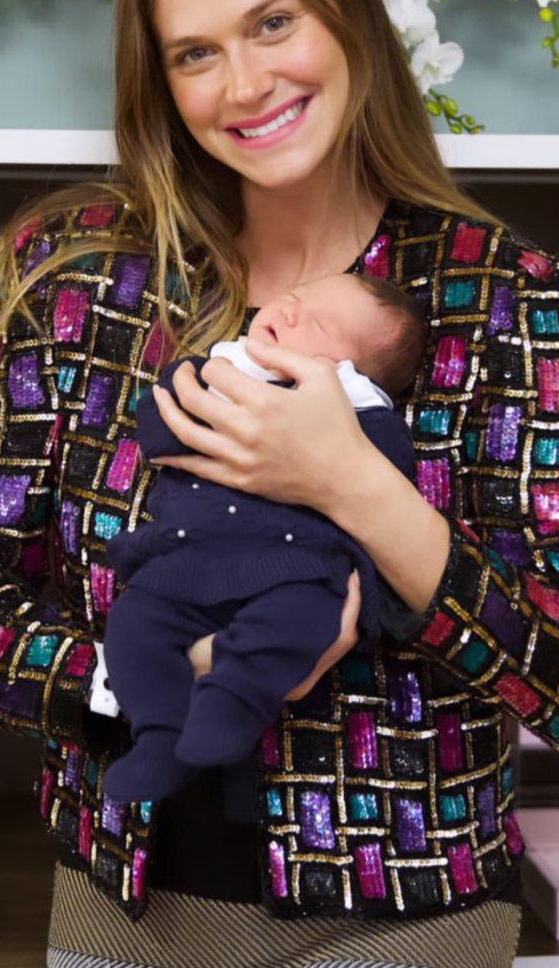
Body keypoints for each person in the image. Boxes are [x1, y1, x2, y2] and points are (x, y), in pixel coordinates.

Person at [0, 0, 559, 968]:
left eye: (273, 23)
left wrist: (353, 486)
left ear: (346, 14)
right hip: (121, 910)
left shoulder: (497, 298)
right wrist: (134, 681)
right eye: (196, 53)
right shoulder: (87, 281)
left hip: (405, 922)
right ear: (162, 82)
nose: (243, 85)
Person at [101, 273, 425, 803]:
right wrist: (194, 388)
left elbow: (385, 472)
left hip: (293, 568)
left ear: (346, 371)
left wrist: (322, 447)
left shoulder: (364, 415)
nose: (290, 312)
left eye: (317, 322)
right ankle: (160, 735)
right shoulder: (221, 370)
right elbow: (157, 435)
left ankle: (236, 702)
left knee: (307, 616)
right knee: (135, 623)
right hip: (188, 560)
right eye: (294, 298)